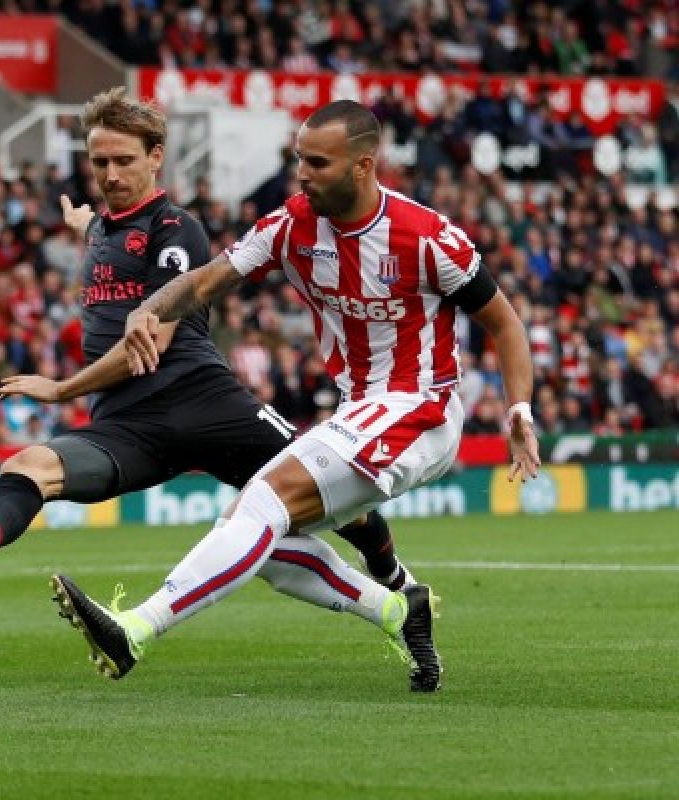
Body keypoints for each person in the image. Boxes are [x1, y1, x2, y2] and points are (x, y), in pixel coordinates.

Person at [0, 88, 420, 648]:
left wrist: (62, 390)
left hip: (205, 404)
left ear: (155, 157)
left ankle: (398, 581)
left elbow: (147, 342)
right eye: (99, 162)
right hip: (131, 423)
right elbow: (105, 232)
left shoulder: (178, 229)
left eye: (124, 160)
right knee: (31, 465)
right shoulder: (103, 227)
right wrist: (84, 222)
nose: (110, 174)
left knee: (330, 496)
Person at [50, 100, 540, 692]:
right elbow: (205, 280)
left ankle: (135, 630)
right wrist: (147, 311)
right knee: (253, 533)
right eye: (298, 160)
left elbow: (506, 323)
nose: (301, 174)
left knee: (263, 502)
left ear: (363, 166)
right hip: (359, 409)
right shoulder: (292, 224)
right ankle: (396, 606)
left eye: (317, 162)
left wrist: (518, 408)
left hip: (420, 409)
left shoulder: (428, 238)